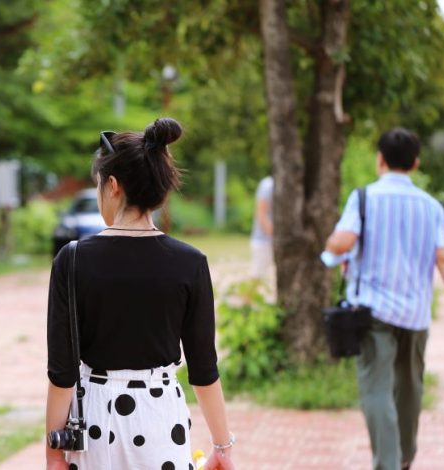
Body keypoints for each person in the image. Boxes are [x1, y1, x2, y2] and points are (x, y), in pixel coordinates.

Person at [45, 118, 235, 470]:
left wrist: (53, 454)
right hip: (161, 416)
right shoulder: (190, 262)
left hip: (94, 421)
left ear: (113, 186)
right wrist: (222, 446)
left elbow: (62, 372)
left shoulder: (72, 260)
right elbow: (204, 368)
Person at [324, 128, 444, 470]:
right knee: (409, 390)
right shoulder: (432, 207)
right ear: (416, 164)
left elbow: (342, 241)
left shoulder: (364, 198)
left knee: (377, 390)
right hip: (416, 313)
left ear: (380, 160)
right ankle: (404, 458)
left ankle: (388, 465)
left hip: (372, 312)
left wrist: (334, 246)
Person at [250, 175, 274, 279]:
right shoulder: (268, 185)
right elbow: (261, 214)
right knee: (258, 278)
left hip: (275, 240)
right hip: (263, 241)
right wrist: (275, 235)